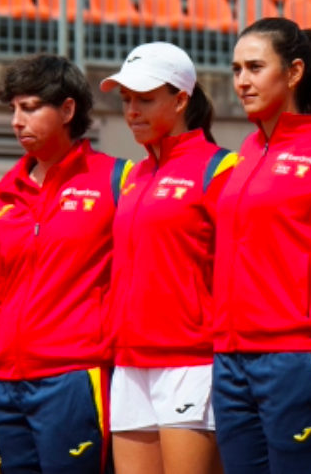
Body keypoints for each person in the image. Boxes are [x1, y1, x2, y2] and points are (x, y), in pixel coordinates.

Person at [0, 54, 129, 474]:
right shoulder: (0, 198)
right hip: (4, 391)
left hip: (75, 381)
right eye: (14, 108)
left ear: (68, 110)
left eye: (31, 107)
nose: (17, 120)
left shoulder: (118, 181)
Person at [211, 18, 311, 474]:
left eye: (254, 67)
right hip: (230, 358)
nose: (242, 81)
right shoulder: (242, 156)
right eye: (236, 69)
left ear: (293, 73)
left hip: (297, 354)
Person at [101, 42, 234, 474]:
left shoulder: (221, 169)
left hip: (191, 361)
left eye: (145, 99)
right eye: (126, 100)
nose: (132, 111)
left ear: (180, 100)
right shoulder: (134, 176)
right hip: (130, 362)